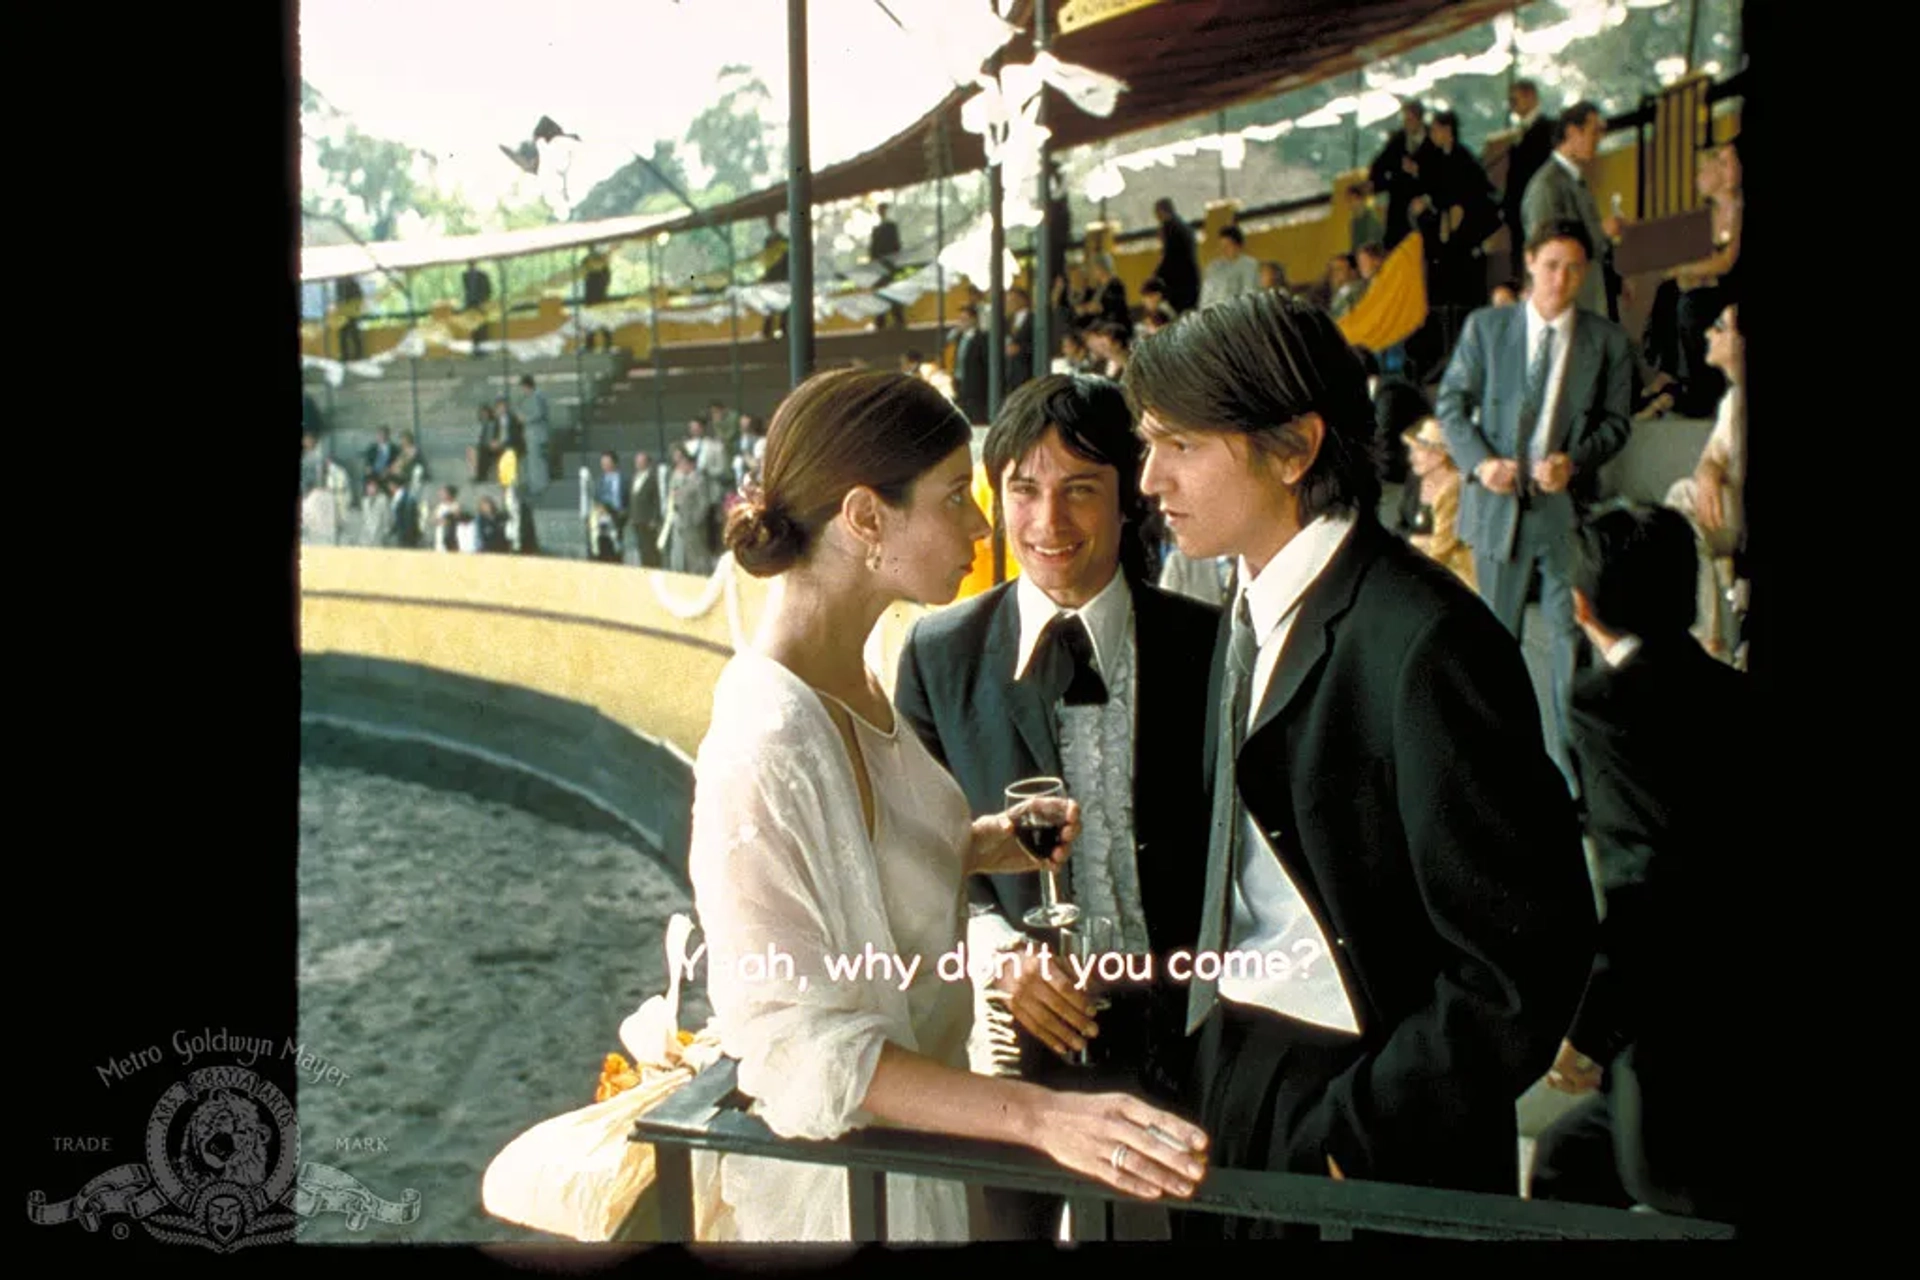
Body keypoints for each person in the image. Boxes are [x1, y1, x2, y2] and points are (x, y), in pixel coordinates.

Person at [690, 369, 1210, 1242]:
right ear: (865, 518)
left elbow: (860, 868)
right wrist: (1042, 1118)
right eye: (954, 497)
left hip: (925, 1167)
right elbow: (794, 1052)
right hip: (856, 1197)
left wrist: (976, 844)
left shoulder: (851, 675)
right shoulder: (766, 736)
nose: (984, 523)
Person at [1125, 291, 1594, 1237]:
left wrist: (1356, 1133)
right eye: (1147, 444)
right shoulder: (1247, 607)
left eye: (1179, 445)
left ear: (1294, 449)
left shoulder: (1426, 641)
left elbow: (1522, 960)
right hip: (1234, 1073)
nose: (1148, 479)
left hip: (1363, 1114)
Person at [894, 374, 1218, 1240]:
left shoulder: (1211, 646)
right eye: (1025, 492)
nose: (1049, 524)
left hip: (1179, 1032)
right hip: (1012, 1040)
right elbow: (917, 863)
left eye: (1081, 490)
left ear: (1128, 498)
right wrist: (1002, 958)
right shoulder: (937, 653)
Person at [1528, 503, 1748, 1224]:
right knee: (1563, 1159)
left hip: (1680, 1065)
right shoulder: (1733, 696)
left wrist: (1586, 1031)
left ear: (1582, 606)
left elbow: (1649, 887)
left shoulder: (1607, 706)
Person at [1436, 219, 1635, 788]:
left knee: (1569, 638)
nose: (1561, 279)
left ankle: (1574, 779)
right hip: (1495, 505)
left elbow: (1618, 425)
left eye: (1574, 268)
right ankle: (1495, 767)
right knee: (1495, 642)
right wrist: (1480, 463)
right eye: (1551, 265)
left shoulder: (1606, 342)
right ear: (1528, 263)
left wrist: (1575, 459)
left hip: (1562, 512)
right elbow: (1450, 404)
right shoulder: (1486, 329)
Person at [1400, 417, 1476, 591]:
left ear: (1440, 455)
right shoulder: (1415, 480)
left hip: (1458, 579)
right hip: (1427, 566)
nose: (1411, 458)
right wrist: (1417, 541)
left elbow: (1440, 553)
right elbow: (1398, 528)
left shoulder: (1453, 488)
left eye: (1419, 450)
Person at [1151, 198, 1200, 314]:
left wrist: (1156, 276)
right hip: (1192, 280)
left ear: (1161, 211)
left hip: (1177, 285)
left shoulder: (1169, 227)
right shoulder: (1186, 227)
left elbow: (1169, 257)